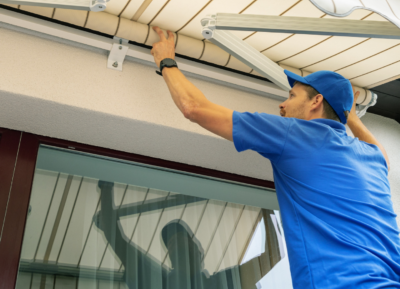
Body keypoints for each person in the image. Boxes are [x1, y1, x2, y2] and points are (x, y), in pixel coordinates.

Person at [150, 26, 400, 289]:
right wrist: (346, 114)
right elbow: (381, 152)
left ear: (316, 101)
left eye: (291, 96)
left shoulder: (296, 134)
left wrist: (166, 62)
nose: (282, 104)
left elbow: (194, 108)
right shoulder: (372, 159)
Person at [95, 181, 282, 289]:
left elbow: (272, 257)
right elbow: (115, 237)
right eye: (174, 247)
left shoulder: (219, 284)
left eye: (184, 244)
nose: (179, 249)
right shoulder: (159, 282)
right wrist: (106, 184)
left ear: (199, 251)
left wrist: (265, 200)